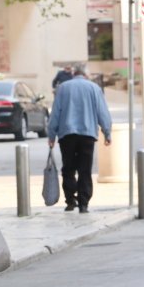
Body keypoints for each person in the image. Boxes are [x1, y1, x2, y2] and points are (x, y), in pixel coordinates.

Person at [48, 63, 112, 213]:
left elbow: (55, 114)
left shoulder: (63, 88)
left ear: (73, 73)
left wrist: (51, 135)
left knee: (68, 168)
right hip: (87, 135)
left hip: (67, 134)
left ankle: (70, 200)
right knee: (85, 169)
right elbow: (102, 113)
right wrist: (107, 132)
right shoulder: (94, 88)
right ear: (86, 74)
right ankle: (84, 204)